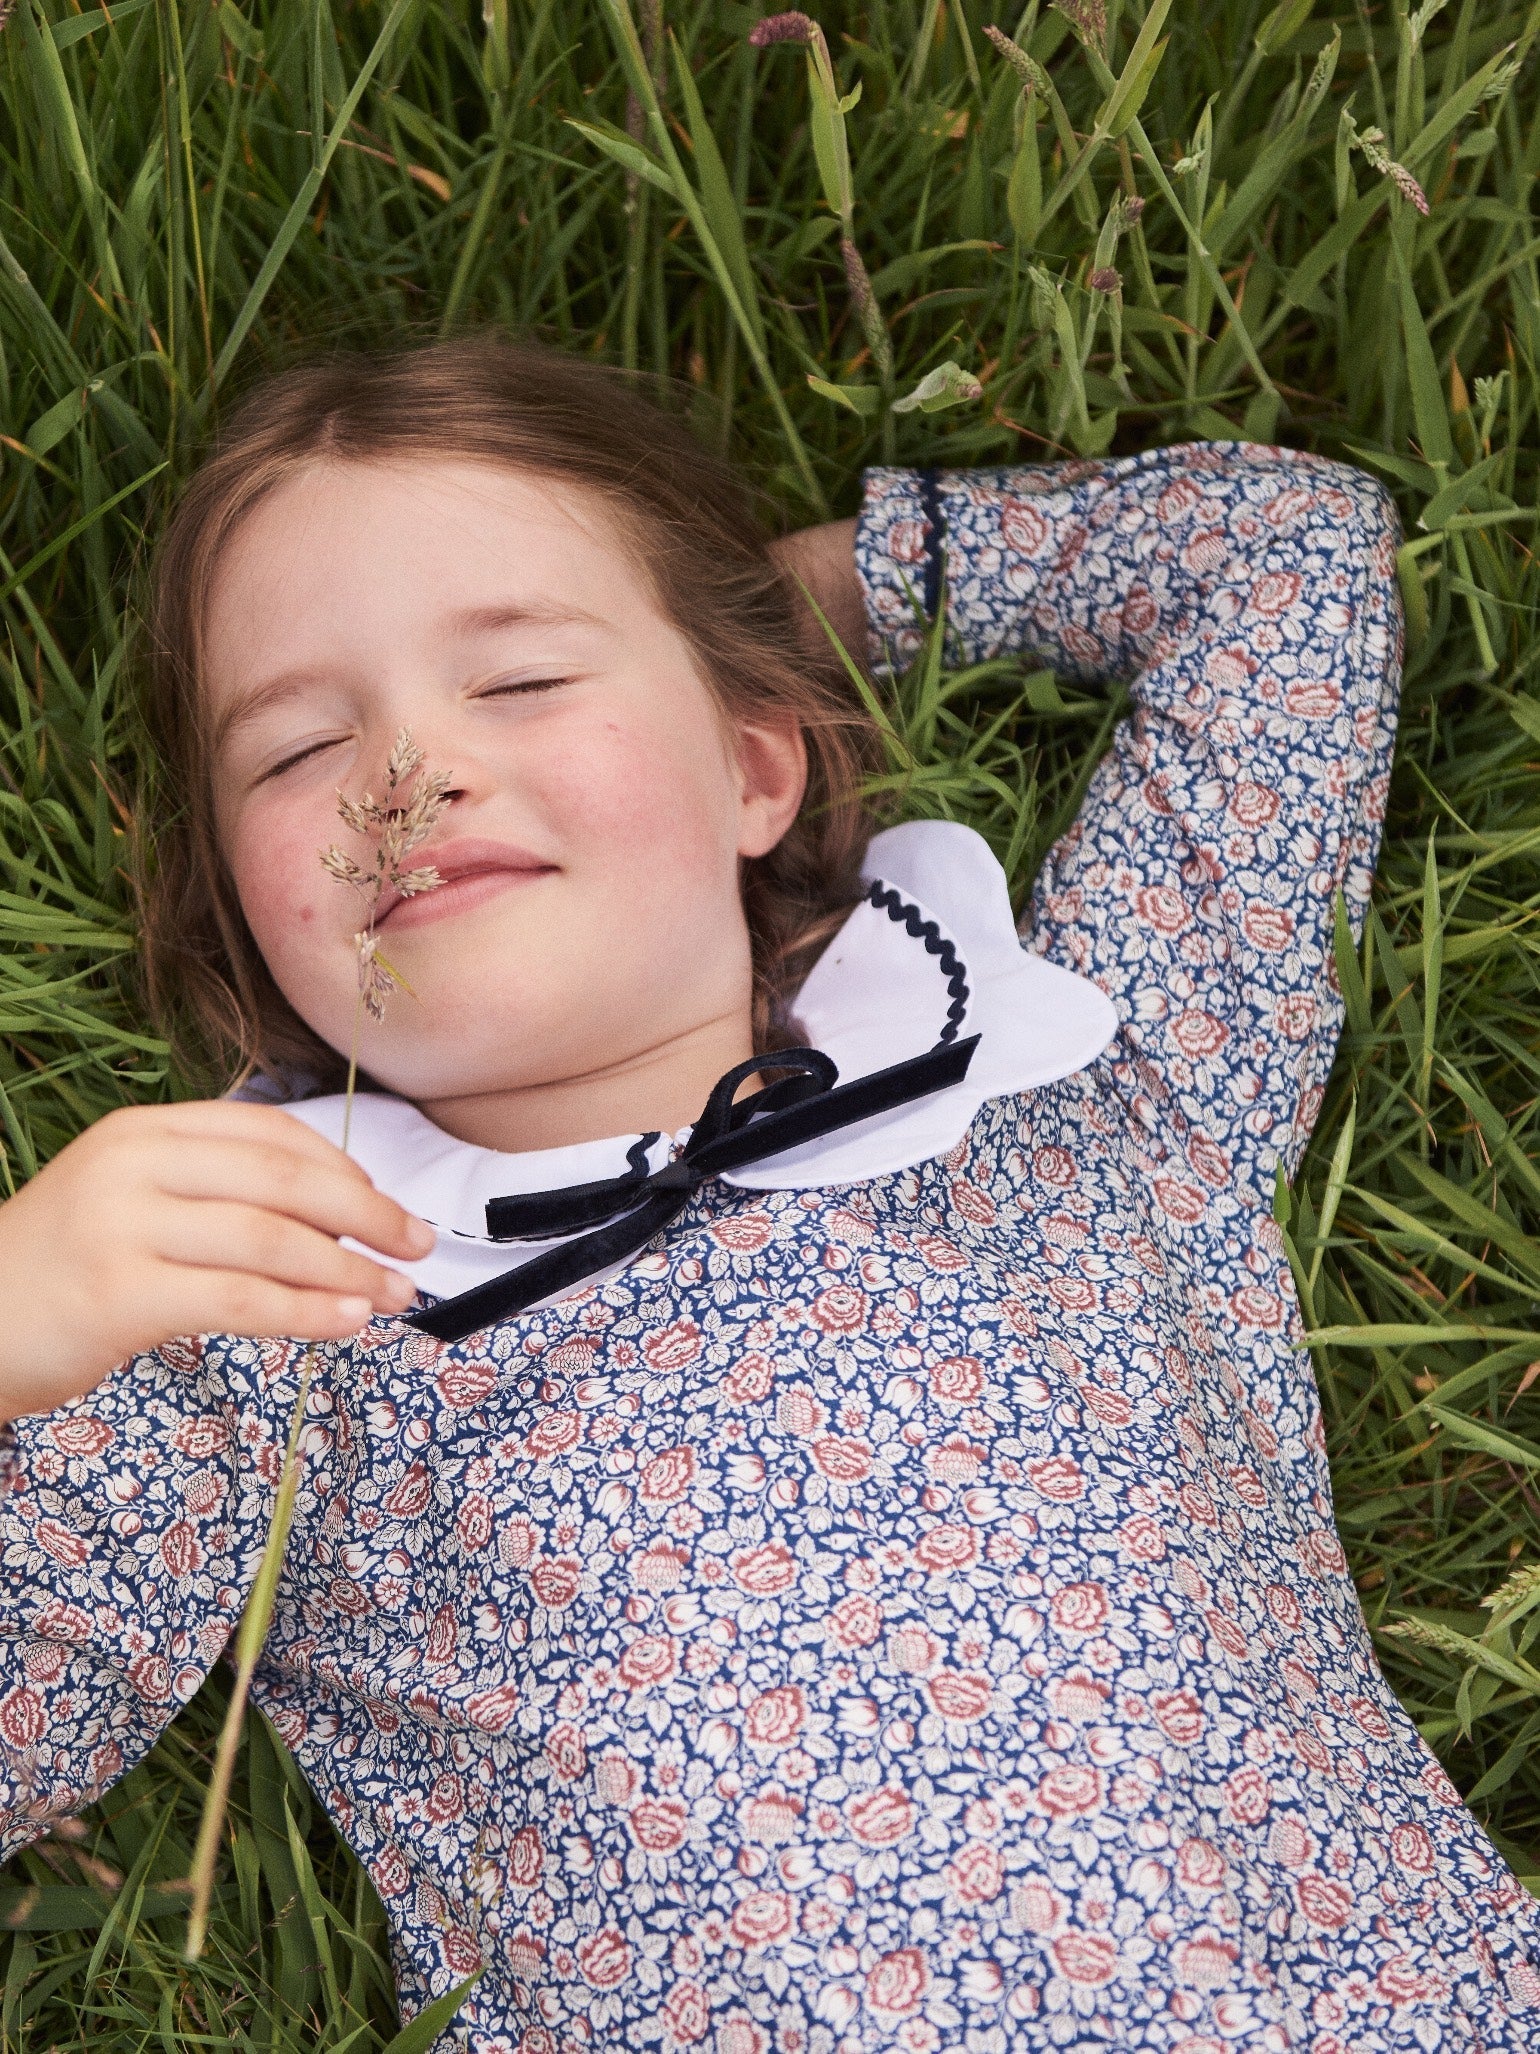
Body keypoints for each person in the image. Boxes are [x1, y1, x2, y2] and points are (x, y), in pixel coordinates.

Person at [1, 333, 1535, 2053]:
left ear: (755, 764)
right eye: (295, 749)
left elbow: (1285, 557)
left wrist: (793, 599)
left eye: (523, 679)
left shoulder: (1072, 1078)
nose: (405, 772)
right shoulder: (257, 1296)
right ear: (238, 895)